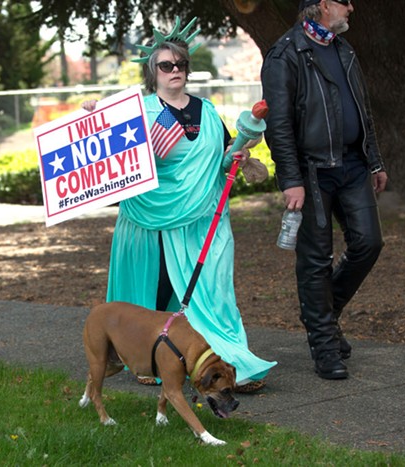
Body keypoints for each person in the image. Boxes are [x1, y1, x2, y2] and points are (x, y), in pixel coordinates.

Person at [83, 17, 276, 391]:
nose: (175, 71)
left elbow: (220, 158)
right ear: (152, 71)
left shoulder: (206, 111)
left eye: (181, 65)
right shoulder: (139, 112)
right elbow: (109, 161)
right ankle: (144, 357)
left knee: (215, 291)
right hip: (149, 215)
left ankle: (228, 360)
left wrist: (241, 155)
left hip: (202, 218)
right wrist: (95, 118)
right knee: (154, 290)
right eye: (166, 65)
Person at [260, 0, 388, 379]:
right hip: (311, 172)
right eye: (342, 0)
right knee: (315, 260)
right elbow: (278, 123)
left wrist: (375, 160)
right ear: (318, 6)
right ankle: (324, 345)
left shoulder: (342, 47)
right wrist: (291, 179)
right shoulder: (286, 54)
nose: (351, 6)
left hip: (351, 165)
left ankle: (324, 316)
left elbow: (362, 110)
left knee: (369, 243)